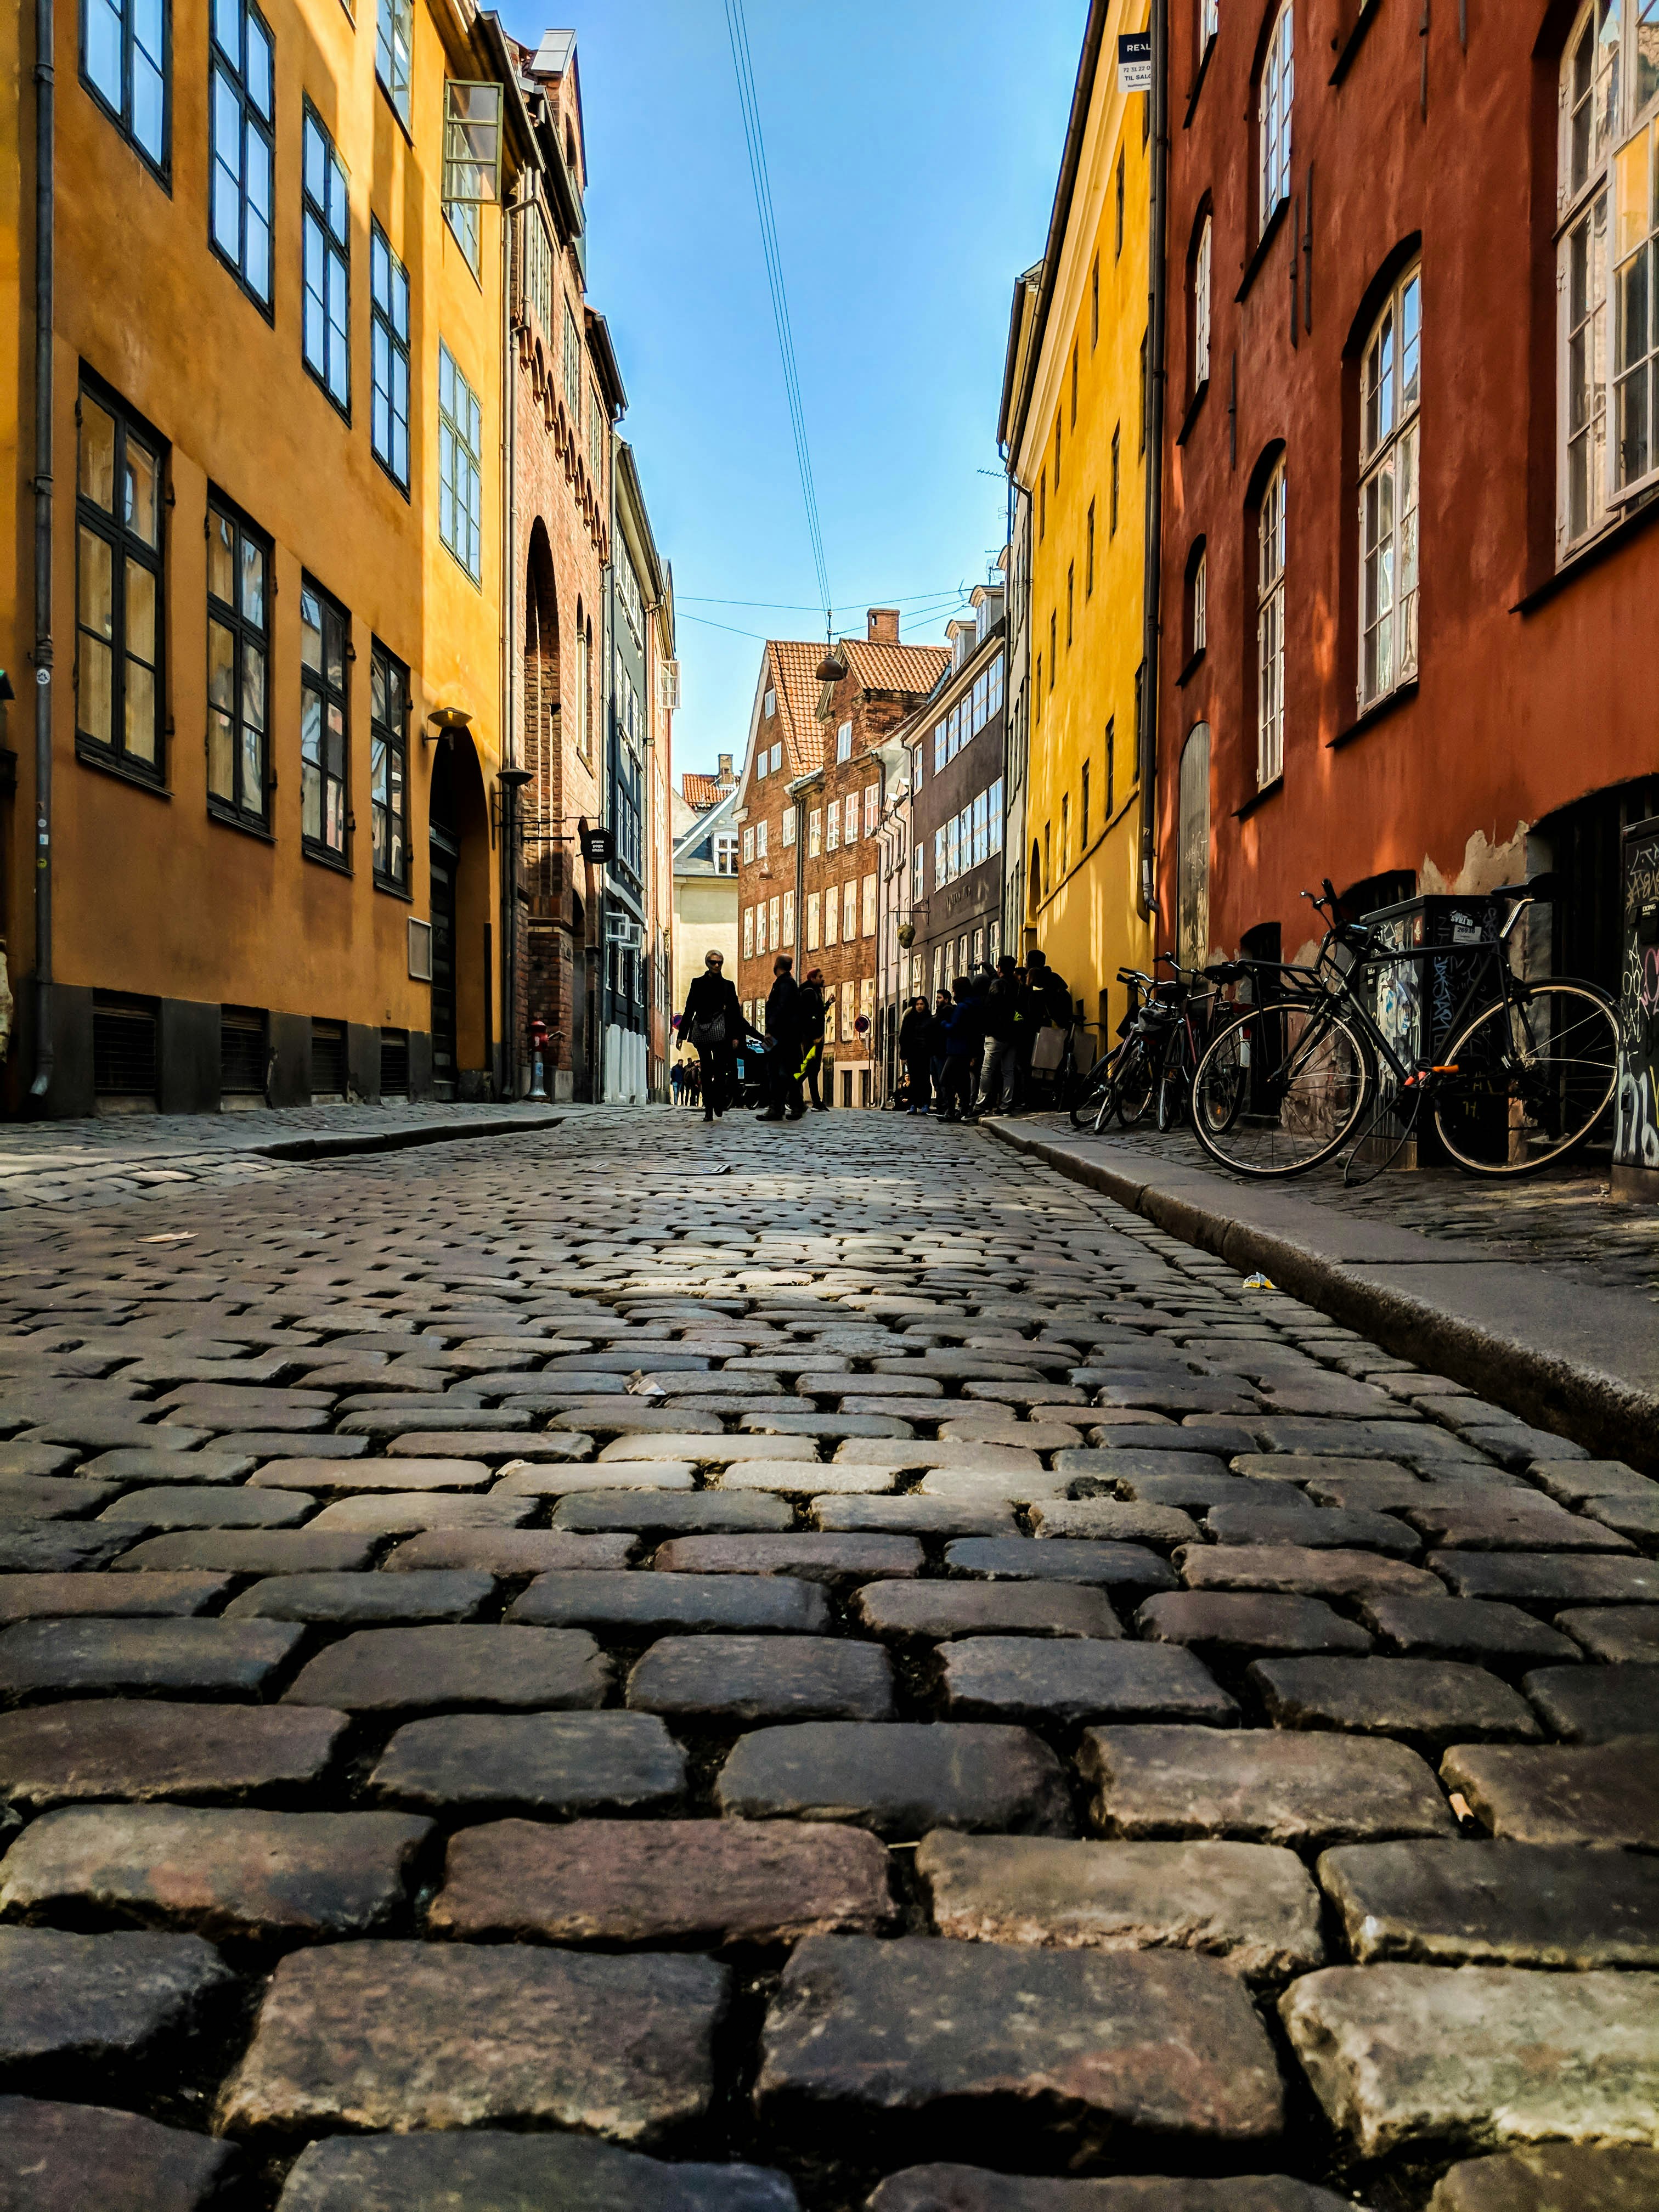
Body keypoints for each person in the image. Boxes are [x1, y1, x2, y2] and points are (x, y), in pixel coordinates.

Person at [678, 950, 743, 1124]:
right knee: (707, 1070)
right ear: (707, 963)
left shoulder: (728, 985)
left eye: (719, 962)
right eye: (713, 962)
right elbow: (689, 1009)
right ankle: (708, 1109)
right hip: (702, 1030)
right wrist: (681, 1035)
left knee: (720, 1070)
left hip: (721, 1032)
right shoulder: (698, 983)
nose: (716, 965)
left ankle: (718, 1101)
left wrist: (736, 1036)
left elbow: (735, 1013)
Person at [759, 953, 805, 1121]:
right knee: (784, 1073)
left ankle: (781, 1108)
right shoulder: (787, 983)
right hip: (788, 1037)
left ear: (777, 965)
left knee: (779, 1073)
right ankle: (787, 1106)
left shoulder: (785, 984)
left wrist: (770, 1029)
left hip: (781, 1037)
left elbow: (781, 1009)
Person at [977, 955, 1023, 1116]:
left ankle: (980, 1104)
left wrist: (986, 1029)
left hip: (996, 1034)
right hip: (1012, 1034)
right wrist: (986, 965)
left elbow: (990, 1009)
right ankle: (1006, 1105)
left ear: (1000, 968)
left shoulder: (997, 986)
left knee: (987, 1070)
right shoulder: (1016, 984)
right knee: (1008, 1071)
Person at [936, 975, 985, 1122]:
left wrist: (943, 1023)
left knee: (945, 1079)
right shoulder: (973, 1005)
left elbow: (954, 1028)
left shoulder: (963, 1007)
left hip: (957, 1049)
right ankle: (964, 1109)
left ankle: (951, 1111)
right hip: (967, 1048)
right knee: (961, 1081)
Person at [798, 968, 830, 1109]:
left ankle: (817, 1101)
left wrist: (828, 1004)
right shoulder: (809, 992)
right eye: (820, 977)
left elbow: (818, 1011)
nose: (823, 979)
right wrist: (815, 1036)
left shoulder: (815, 991)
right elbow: (809, 1017)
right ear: (812, 978)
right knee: (810, 1068)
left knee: (812, 1069)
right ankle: (789, 1091)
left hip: (815, 1038)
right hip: (812, 1039)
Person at [898, 996, 935, 1114]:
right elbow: (903, 1038)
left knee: (925, 1079)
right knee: (913, 1080)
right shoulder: (909, 1019)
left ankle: (925, 1104)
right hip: (913, 1054)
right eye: (918, 1004)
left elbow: (933, 1038)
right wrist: (903, 1056)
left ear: (926, 1006)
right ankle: (913, 1104)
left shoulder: (930, 1019)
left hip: (925, 1054)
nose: (919, 1006)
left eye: (922, 1004)